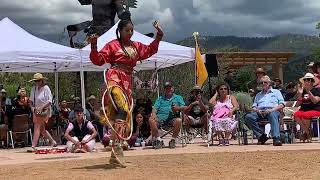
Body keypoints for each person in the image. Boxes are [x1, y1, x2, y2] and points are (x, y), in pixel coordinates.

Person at [90, 19, 163, 167]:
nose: (130, 33)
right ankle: (116, 147)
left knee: (124, 115)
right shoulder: (112, 45)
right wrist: (93, 44)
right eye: (127, 30)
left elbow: (150, 50)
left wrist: (159, 35)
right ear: (120, 31)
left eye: (131, 30)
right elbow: (97, 60)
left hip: (127, 82)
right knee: (122, 109)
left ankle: (115, 150)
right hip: (114, 78)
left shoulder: (136, 46)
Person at [245, 75, 284, 146]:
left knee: (273, 115)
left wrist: (272, 110)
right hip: (260, 112)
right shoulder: (258, 95)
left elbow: (282, 104)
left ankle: (276, 138)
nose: (263, 84)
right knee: (248, 117)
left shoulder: (276, 92)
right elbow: (254, 107)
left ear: (269, 83)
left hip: (273, 110)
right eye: (261, 83)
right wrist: (257, 111)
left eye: (265, 82)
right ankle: (262, 136)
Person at [149, 82, 185, 149]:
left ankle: (173, 140)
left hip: (172, 118)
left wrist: (177, 108)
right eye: (167, 88)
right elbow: (155, 108)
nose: (168, 89)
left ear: (173, 89)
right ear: (164, 90)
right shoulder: (160, 99)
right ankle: (159, 140)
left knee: (179, 120)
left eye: (170, 88)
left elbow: (184, 107)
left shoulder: (178, 97)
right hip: (160, 119)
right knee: (151, 120)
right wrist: (153, 114)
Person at [29, 73, 57, 152]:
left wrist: (41, 108)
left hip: (45, 111)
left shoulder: (46, 88)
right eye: (35, 81)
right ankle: (52, 141)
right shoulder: (33, 89)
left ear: (42, 81)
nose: (36, 82)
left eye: (38, 80)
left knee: (37, 126)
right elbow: (30, 101)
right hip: (36, 111)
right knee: (42, 129)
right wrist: (32, 108)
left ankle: (33, 145)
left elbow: (49, 101)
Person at [293, 73, 320, 143]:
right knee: (296, 115)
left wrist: (309, 92)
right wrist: (299, 94)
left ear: (312, 82)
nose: (306, 81)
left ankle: (306, 134)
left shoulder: (317, 90)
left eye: (309, 80)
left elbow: (315, 101)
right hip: (304, 109)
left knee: (305, 115)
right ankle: (308, 132)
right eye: (305, 80)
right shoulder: (302, 91)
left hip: (315, 109)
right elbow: (298, 104)